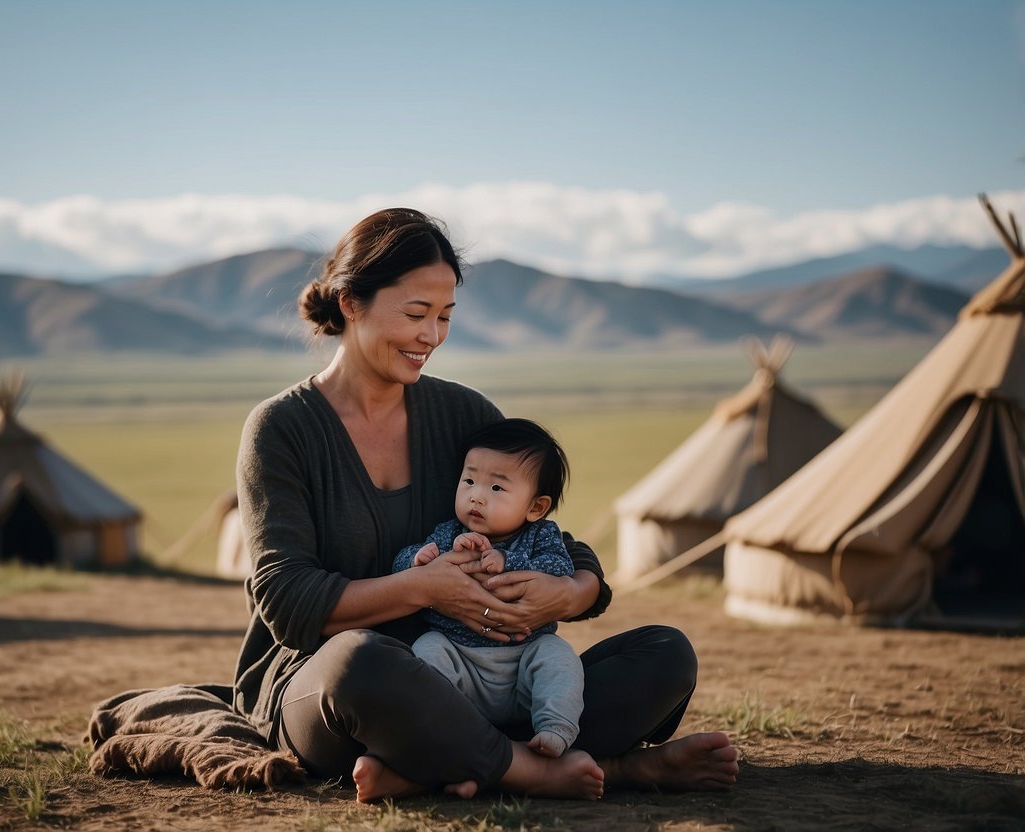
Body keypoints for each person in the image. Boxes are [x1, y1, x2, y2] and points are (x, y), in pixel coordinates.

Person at [233, 206, 739, 803]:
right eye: (417, 314)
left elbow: (548, 532)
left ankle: (444, 764)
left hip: (482, 680)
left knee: (663, 653)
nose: (432, 336)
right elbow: (287, 602)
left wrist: (574, 591)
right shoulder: (282, 428)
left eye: (445, 317)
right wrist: (426, 589)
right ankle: (581, 771)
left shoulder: (465, 416)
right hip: (332, 685)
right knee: (361, 664)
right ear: (350, 302)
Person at [393, 418, 584, 760]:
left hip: (525, 659)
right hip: (460, 659)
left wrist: (508, 561)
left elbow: (561, 568)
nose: (476, 497)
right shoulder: (450, 534)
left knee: (558, 657)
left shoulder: (541, 535)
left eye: (496, 488)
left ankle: (555, 727)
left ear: (535, 507)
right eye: (469, 481)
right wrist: (418, 560)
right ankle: (452, 735)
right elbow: (402, 566)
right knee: (427, 648)